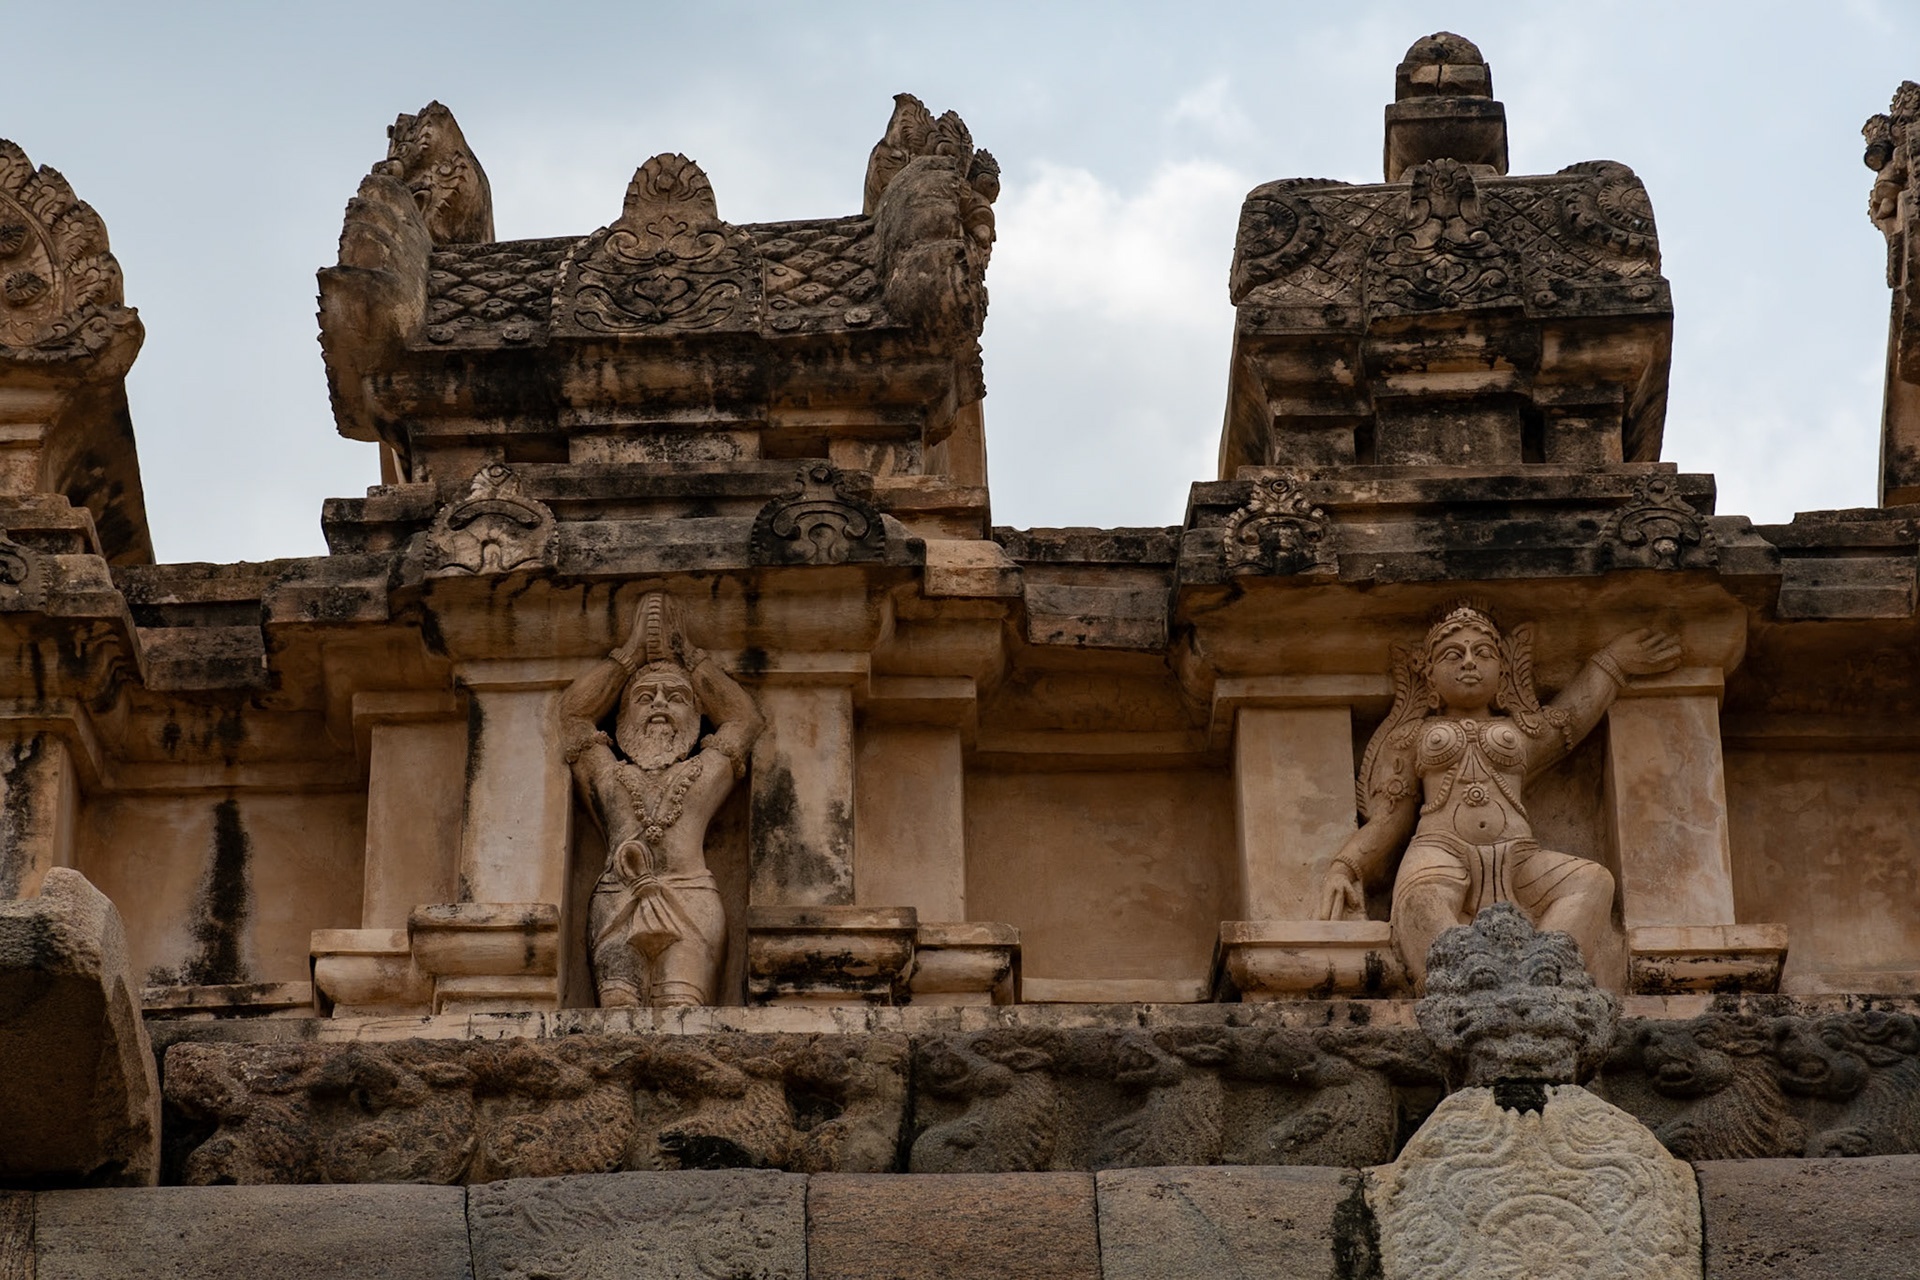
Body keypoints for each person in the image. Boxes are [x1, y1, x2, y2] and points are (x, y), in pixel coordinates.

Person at [1315, 602, 1681, 987]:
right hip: (1441, 851)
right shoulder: (1411, 737)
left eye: (1483, 653)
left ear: (1504, 672)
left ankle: (1546, 967)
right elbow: (1391, 817)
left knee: (1593, 881)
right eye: (1452, 656)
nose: (1469, 662)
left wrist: (1612, 664)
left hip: (1518, 856)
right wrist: (1345, 866)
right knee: (1419, 899)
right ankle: (1460, 981)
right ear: (1429, 680)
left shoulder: (1520, 731)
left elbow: (1570, 719)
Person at [559, 592, 763, 1007]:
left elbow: (744, 719)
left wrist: (688, 655)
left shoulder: (704, 772)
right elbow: (573, 716)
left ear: (697, 713)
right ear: (621, 717)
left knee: (682, 1012)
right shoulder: (607, 774)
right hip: (619, 897)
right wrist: (630, 657)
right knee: (616, 1011)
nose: (659, 705)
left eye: (676, 697)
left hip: (689, 898)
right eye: (645, 697)